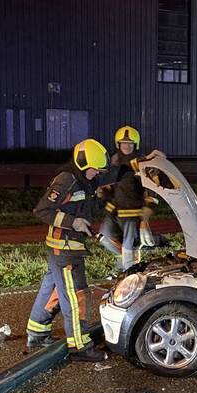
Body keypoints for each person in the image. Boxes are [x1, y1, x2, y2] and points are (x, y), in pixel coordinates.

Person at [27, 138, 110, 362]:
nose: (97, 174)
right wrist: (73, 222)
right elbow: (42, 210)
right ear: (83, 163)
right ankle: (80, 345)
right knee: (76, 295)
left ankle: (37, 331)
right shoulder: (67, 180)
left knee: (52, 288)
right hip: (64, 247)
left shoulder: (85, 180)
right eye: (94, 170)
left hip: (65, 245)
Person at [99, 125, 148, 270]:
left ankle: (129, 271)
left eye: (129, 143)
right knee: (104, 237)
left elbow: (149, 188)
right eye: (123, 143)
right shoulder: (114, 160)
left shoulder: (140, 162)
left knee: (128, 243)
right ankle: (130, 261)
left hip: (132, 210)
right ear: (118, 144)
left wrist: (147, 210)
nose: (126, 146)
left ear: (135, 144)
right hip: (114, 209)